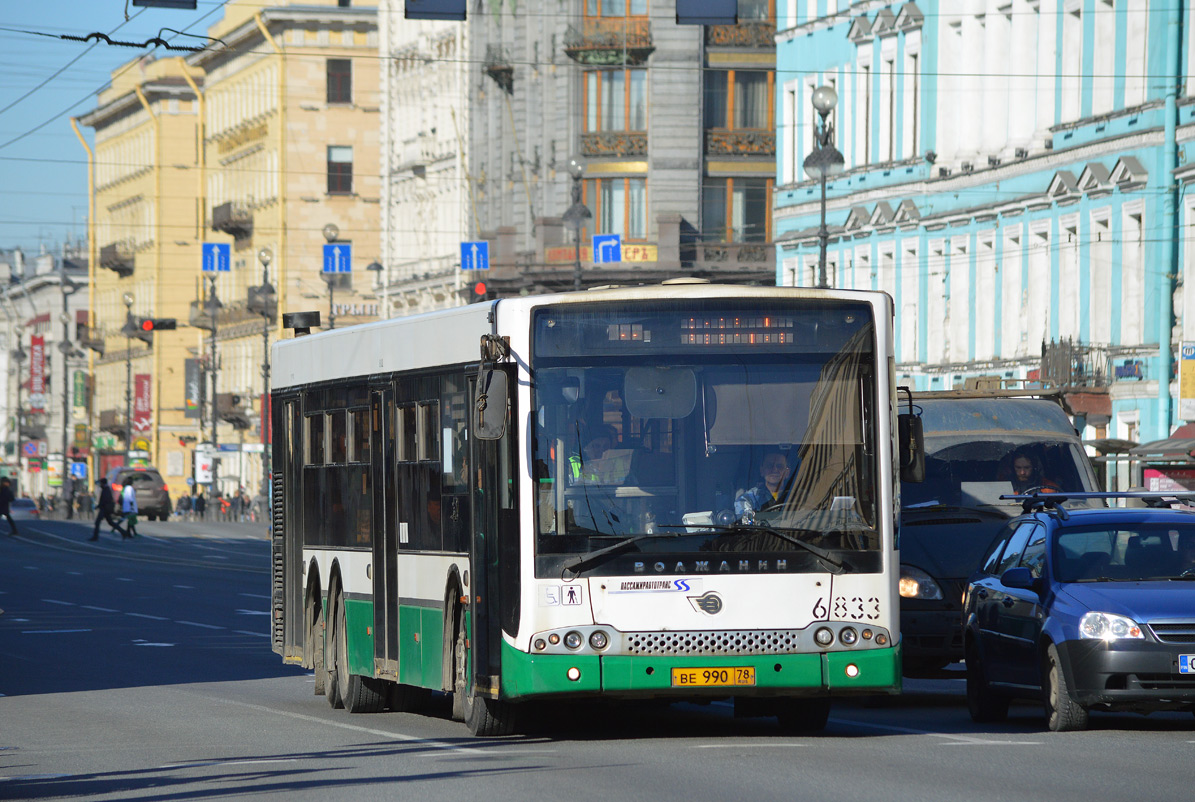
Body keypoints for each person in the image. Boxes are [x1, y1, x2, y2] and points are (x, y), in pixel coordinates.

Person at [735, 449, 794, 519]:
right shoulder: (748, 498)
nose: (774, 470)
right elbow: (746, 523)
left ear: (787, 473)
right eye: (770, 466)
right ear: (762, 471)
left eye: (779, 466)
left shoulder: (799, 496)